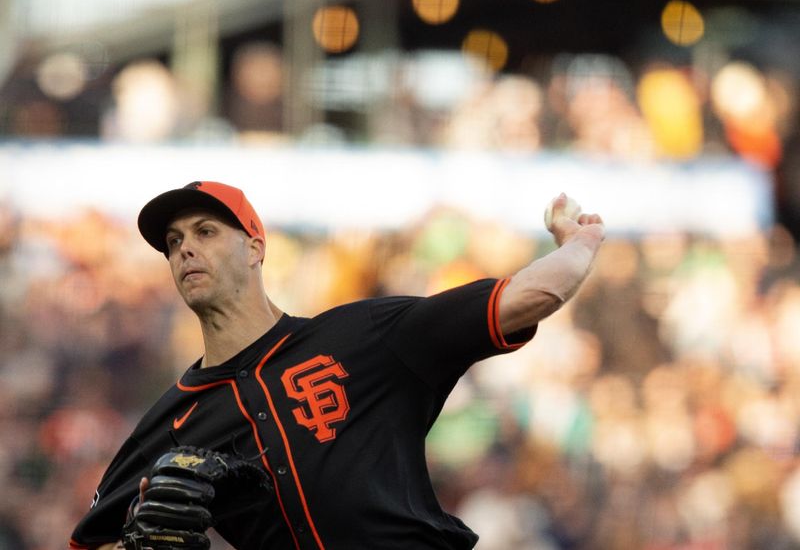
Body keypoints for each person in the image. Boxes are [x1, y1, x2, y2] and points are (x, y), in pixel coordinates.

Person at [68, 181, 605, 550]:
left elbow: (528, 296)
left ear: (255, 248)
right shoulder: (174, 421)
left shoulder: (363, 337)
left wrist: (580, 241)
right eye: (173, 241)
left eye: (205, 231)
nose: (185, 249)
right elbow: (86, 542)